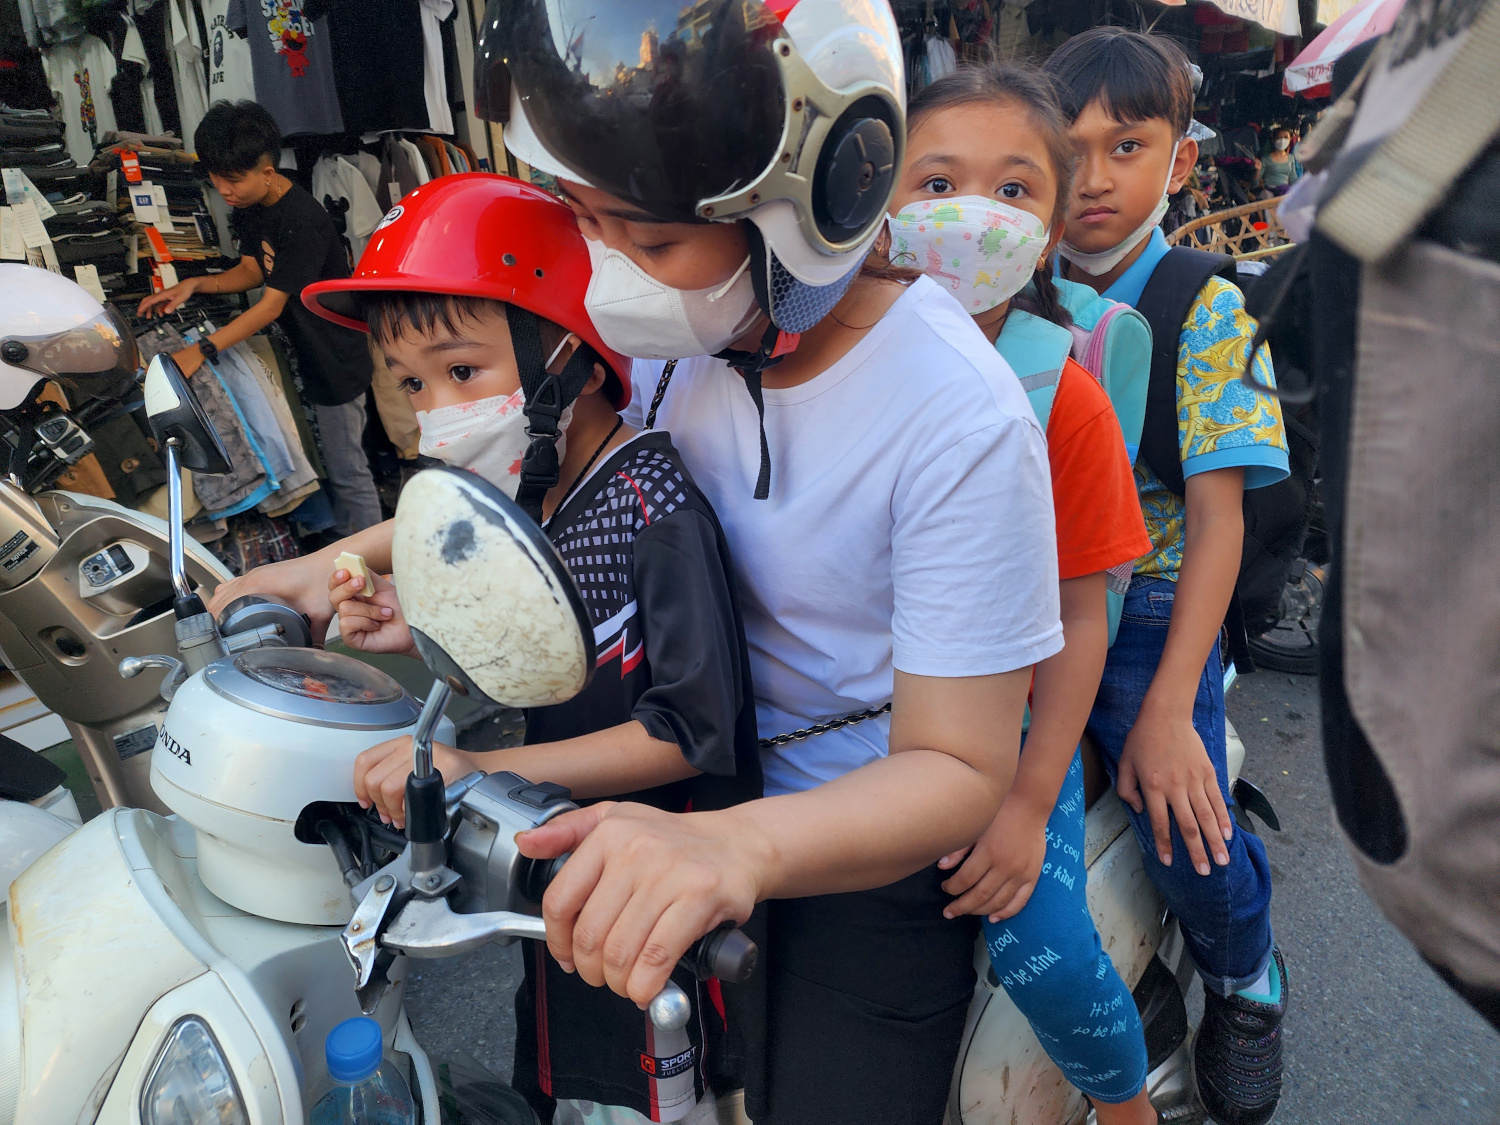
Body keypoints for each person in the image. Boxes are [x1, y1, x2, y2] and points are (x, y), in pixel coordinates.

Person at [474, 3, 1063, 1122]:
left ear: (808, 214)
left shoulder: (958, 417)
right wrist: (383, 565)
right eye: (587, 223)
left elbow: (956, 765)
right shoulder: (672, 342)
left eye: (649, 242)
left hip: (858, 850)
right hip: (673, 792)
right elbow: (572, 489)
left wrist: (736, 845)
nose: (611, 271)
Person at [300, 173, 765, 1125]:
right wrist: (425, 629)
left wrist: (482, 767)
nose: (438, 410)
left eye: (463, 371)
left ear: (574, 362)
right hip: (557, 869)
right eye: (413, 384)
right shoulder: (538, 492)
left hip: (651, 893)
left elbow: (690, 730)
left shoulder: (652, 507)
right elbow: (544, 648)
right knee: (558, 1070)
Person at [888, 64, 1156, 1125]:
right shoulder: (822, 367)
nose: (970, 214)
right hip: (867, 719)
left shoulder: (1063, 399)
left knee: (1040, 946)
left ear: (1047, 232)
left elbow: (1084, 616)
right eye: (936, 182)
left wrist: (1028, 802)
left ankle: (1127, 1105)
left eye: (1011, 190)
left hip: (1016, 731)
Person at [1043, 28, 1291, 1125]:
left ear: (1181, 161)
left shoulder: (1209, 307)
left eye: (1127, 146)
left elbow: (1218, 519)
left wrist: (1169, 708)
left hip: (1150, 605)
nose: (1094, 178)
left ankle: (1246, 979)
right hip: (1030, 603)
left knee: (1178, 821)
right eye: (1069, 150)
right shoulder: (1007, 293)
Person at [137, 100, 382, 537]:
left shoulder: (303, 221)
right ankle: (346, 550)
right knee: (326, 465)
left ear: (268, 172)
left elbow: (270, 305)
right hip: (303, 351)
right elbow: (252, 271)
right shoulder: (252, 205)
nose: (223, 189)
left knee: (348, 472)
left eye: (232, 180)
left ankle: (378, 562)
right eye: (215, 177)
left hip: (335, 357)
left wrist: (201, 350)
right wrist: (194, 285)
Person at [1257, 127, 1303, 196]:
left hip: (1285, 192)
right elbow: (1255, 183)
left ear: (1290, 139)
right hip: (1269, 193)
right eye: (1279, 138)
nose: (1282, 140)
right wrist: (1257, 171)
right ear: (1273, 139)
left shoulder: (1291, 158)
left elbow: (1293, 179)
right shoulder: (1265, 159)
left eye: (1285, 137)